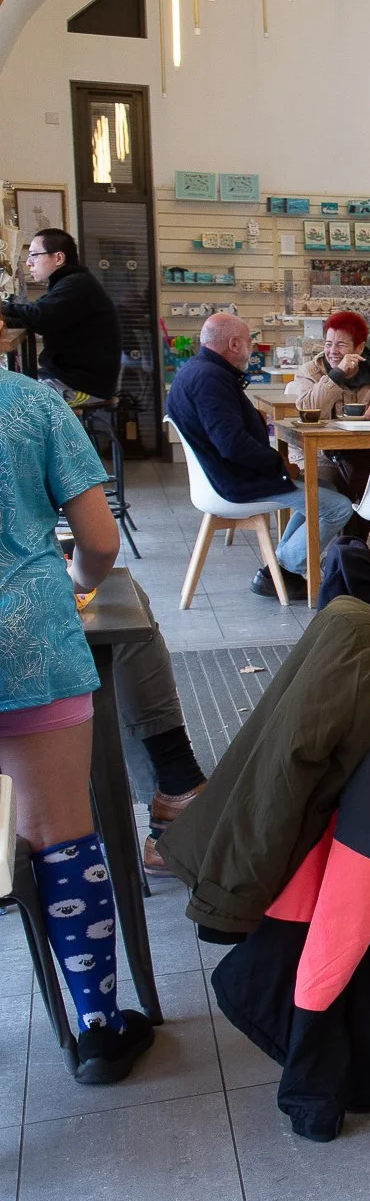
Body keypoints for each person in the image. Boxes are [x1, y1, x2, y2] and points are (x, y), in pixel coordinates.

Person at [0, 369, 156, 1082]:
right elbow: (97, 539)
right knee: (59, 832)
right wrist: (73, 576)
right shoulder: (32, 404)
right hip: (26, 635)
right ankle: (97, 1026)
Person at [166, 313, 357, 599]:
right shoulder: (211, 379)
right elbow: (232, 444)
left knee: (325, 488)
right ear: (233, 344)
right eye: (248, 343)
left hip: (227, 475)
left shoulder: (198, 370)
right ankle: (289, 565)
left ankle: (280, 565)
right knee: (339, 507)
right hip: (236, 482)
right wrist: (278, 464)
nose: (252, 349)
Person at [287, 310, 370, 497]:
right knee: (331, 493)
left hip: (368, 454)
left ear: (359, 348)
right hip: (319, 455)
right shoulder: (309, 372)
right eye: (328, 344)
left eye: (340, 345)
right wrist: (336, 375)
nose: (332, 351)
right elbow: (307, 410)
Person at [2, 228, 119, 402]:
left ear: (58, 258)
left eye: (34, 255)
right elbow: (35, 315)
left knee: (12, 404)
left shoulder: (76, 285)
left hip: (79, 386)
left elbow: (38, 316)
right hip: (72, 380)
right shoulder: (70, 283)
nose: (28, 263)